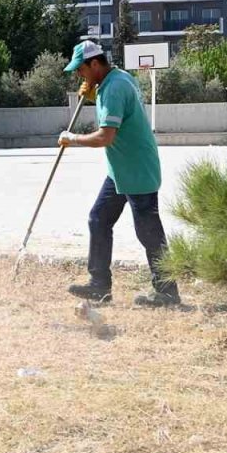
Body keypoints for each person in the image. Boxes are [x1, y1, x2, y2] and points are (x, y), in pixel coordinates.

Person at [58, 40, 180, 306]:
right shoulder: (116, 80)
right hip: (121, 170)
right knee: (99, 219)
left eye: (81, 69)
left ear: (94, 63)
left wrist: (73, 138)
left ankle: (168, 292)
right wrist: (93, 94)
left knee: (149, 233)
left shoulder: (114, 88)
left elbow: (105, 137)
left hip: (136, 170)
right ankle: (99, 286)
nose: (79, 75)